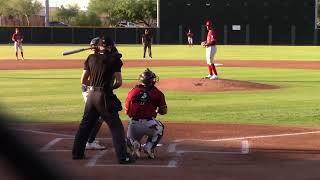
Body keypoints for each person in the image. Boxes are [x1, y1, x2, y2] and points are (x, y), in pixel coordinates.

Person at [72, 36, 135, 164]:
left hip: (91, 96)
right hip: (104, 96)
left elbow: (83, 80)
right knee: (116, 127)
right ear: (110, 46)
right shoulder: (115, 59)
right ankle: (123, 157)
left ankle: (77, 153)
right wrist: (107, 86)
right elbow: (118, 82)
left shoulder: (90, 58)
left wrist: (95, 84)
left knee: (85, 125)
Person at [125, 68, 167, 159]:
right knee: (161, 127)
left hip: (134, 125)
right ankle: (149, 147)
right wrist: (157, 110)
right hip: (150, 124)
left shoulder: (132, 92)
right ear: (152, 81)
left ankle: (134, 144)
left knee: (126, 139)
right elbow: (164, 111)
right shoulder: (158, 93)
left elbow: (126, 111)